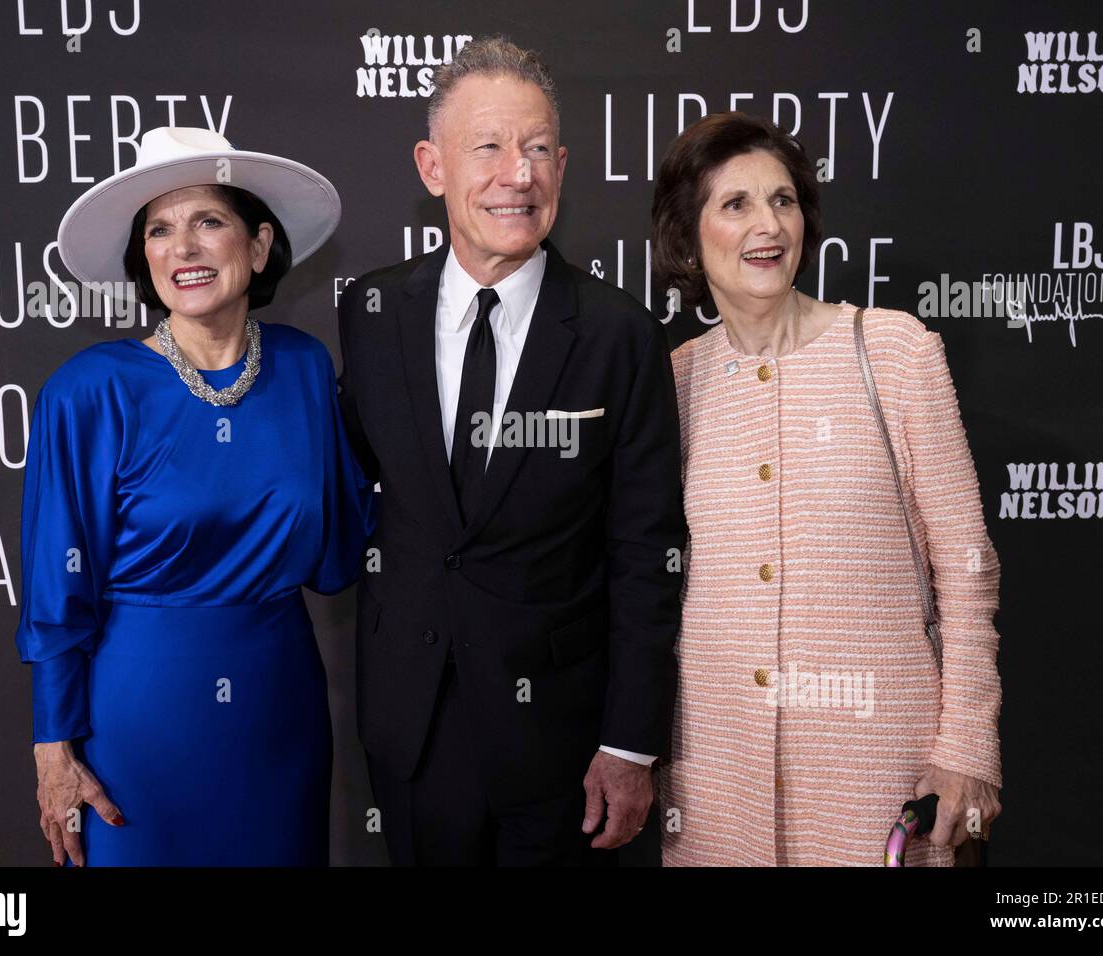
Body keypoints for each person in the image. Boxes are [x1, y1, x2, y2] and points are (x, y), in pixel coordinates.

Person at [336, 36, 685, 866]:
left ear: (561, 166)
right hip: (412, 731)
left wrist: (631, 744)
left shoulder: (618, 334)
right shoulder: (373, 312)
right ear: (433, 167)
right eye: (487, 147)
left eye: (535, 151)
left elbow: (647, 548)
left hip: (562, 743)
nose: (516, 175)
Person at [651, 112, 1003, 866]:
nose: (767, 224)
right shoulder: (676, 385)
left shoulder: (896, 352)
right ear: (687, 236)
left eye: (782, 200)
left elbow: (968, 571)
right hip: (716, 790)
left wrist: (966, 747)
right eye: (735, 203)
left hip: (885, 780)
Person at [16, 126, 374, 866]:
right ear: (143, 259)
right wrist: (53, 746)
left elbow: (342, 552)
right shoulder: (91, 391)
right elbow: (58, 586)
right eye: (160, 230)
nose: (183, 248)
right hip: (139, 726)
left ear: (259, 243)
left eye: (208, 221)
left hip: (281, 713)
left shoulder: (306, 368)